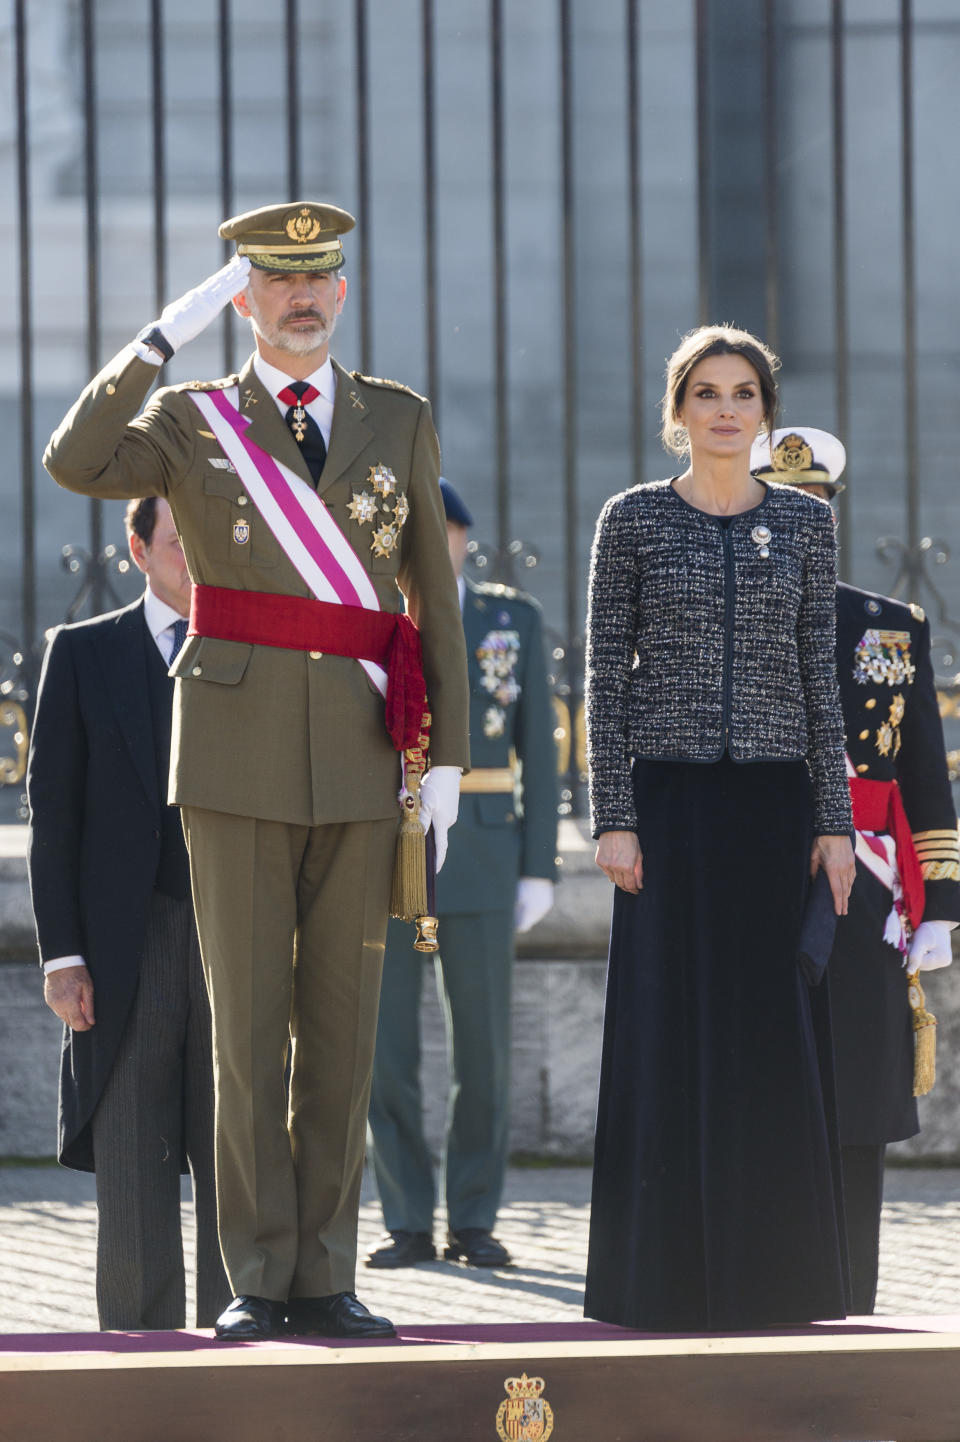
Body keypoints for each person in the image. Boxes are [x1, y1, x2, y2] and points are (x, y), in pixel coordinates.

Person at [43, 201, 470, 1341]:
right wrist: (154, 342)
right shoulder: (193, 420)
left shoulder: (396, 418)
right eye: (276, 280)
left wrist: (450, 763)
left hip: (362, 751)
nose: (300, 296)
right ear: (245, 298)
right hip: (228, 755)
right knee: (247, 1031)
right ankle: (254, 1275)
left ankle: (324, 1271)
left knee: (341, 1026)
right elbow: (73, 459)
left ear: (341, 292)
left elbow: (433, 594)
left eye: (318, 278)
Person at [583, 324, 856, 1332]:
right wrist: (613, 813)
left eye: (745, 392)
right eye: (708, 392)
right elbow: (605, 674)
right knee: (669, 1031)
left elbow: (818, 680)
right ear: (678, 410)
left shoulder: (805, 526)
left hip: (775, 804)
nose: (728, 409)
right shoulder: (635, 521)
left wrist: (833, 821)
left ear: (766, 411)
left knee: (768, 1039)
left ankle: (774, 1280)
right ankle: (659, 1280)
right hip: (669, 806)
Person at [752, 425, 960, 1313]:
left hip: (867, 892)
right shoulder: (726, 615)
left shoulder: (891, 624)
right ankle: (760, 1284)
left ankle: (850, 1292)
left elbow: (921, 773)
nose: (803, 520)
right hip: (756, 875)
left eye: (816, 508)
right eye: (784, 506)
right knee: (758, 1087)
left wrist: (941, 904)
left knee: (859, 1097)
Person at [27, 497, 230, 1331]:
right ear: (139, 550)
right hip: (125, 944)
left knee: (239, 1161)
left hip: (235, 933)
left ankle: (243, 1343)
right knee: (135, 1165)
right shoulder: (81, 653)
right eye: (182, 544)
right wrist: (62, 955)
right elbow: (54, 815)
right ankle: (143, 1364)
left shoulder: (256, 646)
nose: (197, 560)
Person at [366, 478, 558, 1270]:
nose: (431, 549)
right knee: (386, 1053)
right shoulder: (367, 619)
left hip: (481, 854)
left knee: (482, 1049)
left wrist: (539, 866)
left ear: (462, 539)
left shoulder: (510, 618)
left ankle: (473, 1218)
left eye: (441, 533)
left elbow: (539, 753)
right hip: (382, 848)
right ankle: (408, 1218)